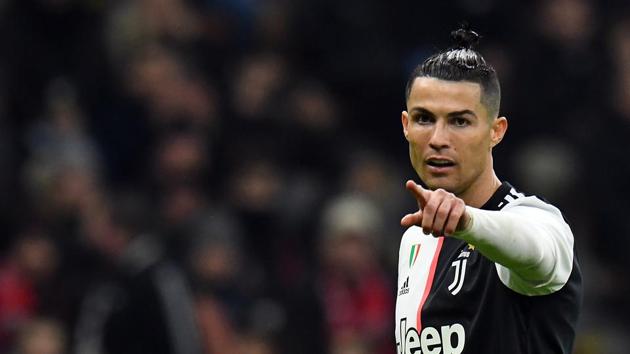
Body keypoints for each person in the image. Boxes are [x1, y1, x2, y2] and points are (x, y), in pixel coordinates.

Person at [395, 25, 582, 354]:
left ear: (496, 131)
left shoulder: (537, 221)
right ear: (406, 126)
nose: (438, 139)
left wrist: (468, 221)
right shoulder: (415, 238)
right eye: (425, 118)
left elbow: (538, 251)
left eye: (460, 121)